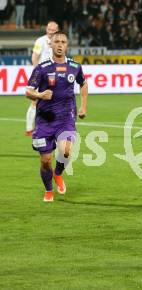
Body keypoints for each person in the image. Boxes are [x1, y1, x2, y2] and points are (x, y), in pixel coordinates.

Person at [25, 31, 88, 202]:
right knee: (46, 160)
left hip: (66, 118)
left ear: (67, 45)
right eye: (57, 41)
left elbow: (83, 83)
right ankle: (48, 190)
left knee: (66, 151)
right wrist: (39, 95)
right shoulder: (42, 68)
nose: (60, 44)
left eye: (63, 41)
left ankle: (58, 173)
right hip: (45, 120)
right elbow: (28, 92)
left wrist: (83, 106)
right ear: (50, 45)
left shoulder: (75, 67)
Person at [25, 21, 59, 136]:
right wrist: (37, 73)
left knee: (53, 100)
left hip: (53, 75)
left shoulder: (58, 42)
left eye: (53, 30)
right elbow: (35, 57)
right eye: (49, 29)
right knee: (35, 100)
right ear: (46, 29)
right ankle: (29, 129)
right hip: (42, 74)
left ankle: (50, 126)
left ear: (57, 30)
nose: (50, 32)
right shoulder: (40, 41)